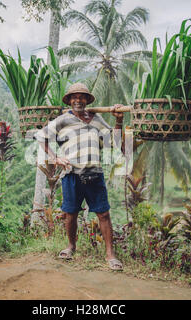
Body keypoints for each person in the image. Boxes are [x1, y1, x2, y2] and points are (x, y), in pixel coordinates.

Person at [35, 82, 125, 271]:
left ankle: (110, 255)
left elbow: (114, 142)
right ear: (69, 100)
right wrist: (55, 157)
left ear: (87, 100)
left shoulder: (97, 119)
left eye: (82, 97)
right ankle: (71, 246)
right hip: (71, 174)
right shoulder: (62, 120)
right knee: (71, 213)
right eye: (74, 97)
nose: (78, 100)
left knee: (104, 213)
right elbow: (41, 136)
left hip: (94, 174)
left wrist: (118, 121)